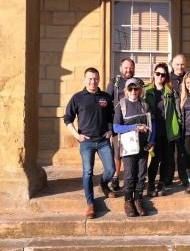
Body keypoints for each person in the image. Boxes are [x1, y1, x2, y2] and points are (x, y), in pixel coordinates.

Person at [64, 67, 116, 220]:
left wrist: (110, 130)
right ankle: (90, 204)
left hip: (103, 141)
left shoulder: (105, 97)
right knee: (87, 172)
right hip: (86, 142)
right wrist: (76, 135)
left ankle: (103, 184)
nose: (93, 81)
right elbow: (68, 118)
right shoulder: (77, 97)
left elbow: (112, 116)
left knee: (111, 169)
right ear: (84, 80)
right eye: (90, 78)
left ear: (99, 79)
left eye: (95, 78)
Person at [113, 78, 155, 217]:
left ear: (140, 90)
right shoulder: (122, 105)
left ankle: (138, 200)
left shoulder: (144, 105)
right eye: (130, 89)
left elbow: (152, 125)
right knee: (130, 174)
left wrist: (152, 141)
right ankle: (128, 201)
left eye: (136, 89)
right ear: (126, 90)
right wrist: (135, 127)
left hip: (143, 146)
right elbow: (116, 127)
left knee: (141, 174)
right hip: (128, 146)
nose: (133, 92)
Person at [144, 63, 181, 196]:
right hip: (153, 131)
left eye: (163, 74)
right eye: (158, 73)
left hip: (168, 130)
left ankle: (162, 183)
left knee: (167, 159)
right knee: (155, 158)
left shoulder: (170, 91)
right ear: (154, 74)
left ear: (166, 76)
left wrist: (180, 124)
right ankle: (151, 184)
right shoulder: (146, 90)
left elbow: (177, 110)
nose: (160, 76)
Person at [106, 58, 140, 192]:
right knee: (117, 151)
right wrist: (109, 125)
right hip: (117, 121)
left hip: (132, 121)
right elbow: (107, 104)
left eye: (131, 67)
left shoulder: (138, 82)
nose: (128, 70)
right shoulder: (114, 82)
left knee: (131, 150)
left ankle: (130, 177)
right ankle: (115, 177)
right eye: (126, 67)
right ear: (121, 68)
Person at [168, 54, 188, 186]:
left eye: (182, 64)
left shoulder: (189, 78)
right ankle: (168, 177)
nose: (180, 67)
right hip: (170, 120)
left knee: (183, 152)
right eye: (177, 64)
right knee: (169, 152)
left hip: (186, 121)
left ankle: (184, 177)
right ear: (172, 64)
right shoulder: (167, 79)